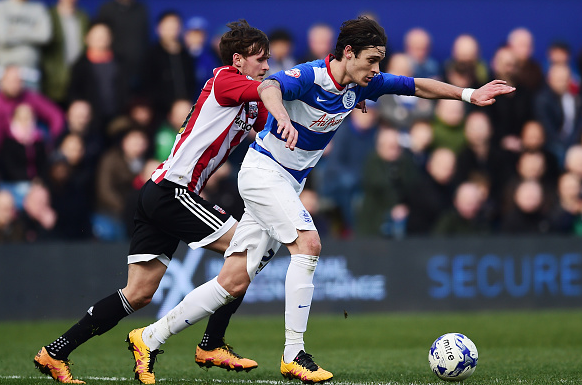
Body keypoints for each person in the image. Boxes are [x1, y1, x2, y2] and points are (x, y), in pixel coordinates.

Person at [128, 16, 514, 384]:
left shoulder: (362, 84)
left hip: (287, 183)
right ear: (347, 52)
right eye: (371, 60)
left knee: (233, 280)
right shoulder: (309, 76)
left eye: (379, 60)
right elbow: (271, 86)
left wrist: (468, 94)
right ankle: (294, 353)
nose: (376, 68)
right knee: (308, 244)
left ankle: (149, 338)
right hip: (264, 174)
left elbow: (415, 85)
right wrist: (279, 115)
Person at [33, 20, 287, 384]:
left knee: (138, 294)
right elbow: (269, 90)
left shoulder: (250, 99)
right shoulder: (225, 80)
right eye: (260, 59)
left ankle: (54, 353)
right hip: (173, 191)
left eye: (268, 60)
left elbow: (276, 119)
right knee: (248, 253)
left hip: (160, 191)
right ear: (238, 60)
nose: (266, 66)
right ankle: (211, 343)